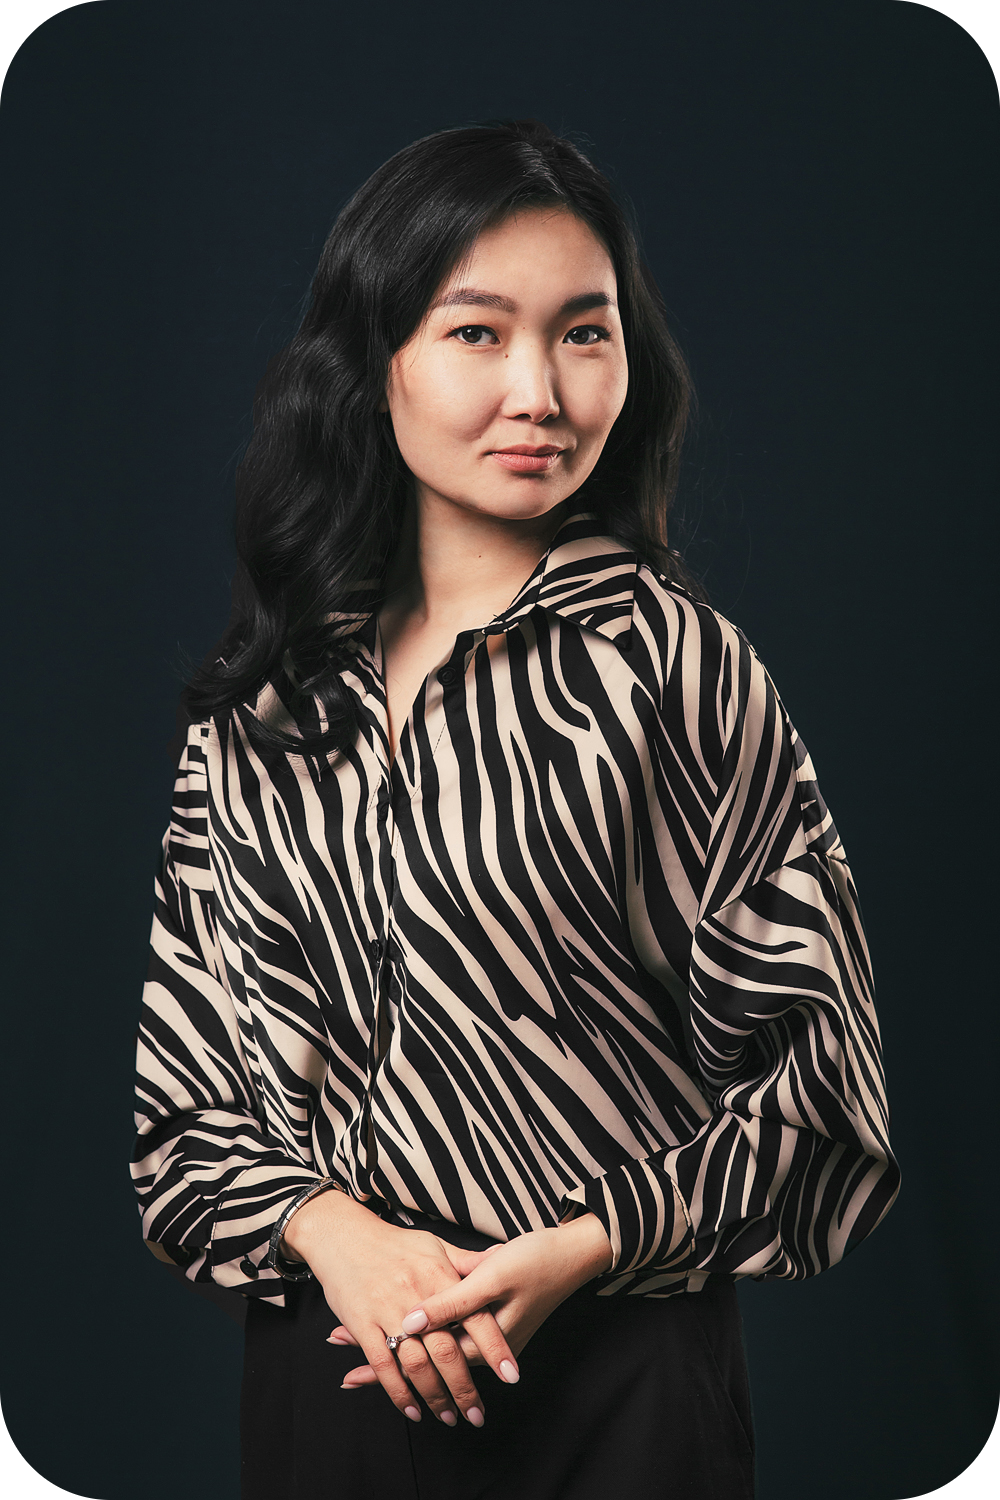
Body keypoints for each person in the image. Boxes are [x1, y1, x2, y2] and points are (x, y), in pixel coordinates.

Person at [131, 119, 899, 1500]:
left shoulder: (671, 668)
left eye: (583, 333)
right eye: (477, 333)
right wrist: (337, 1236)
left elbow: (825, 1094)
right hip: (335, 1372)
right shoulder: (270, 700)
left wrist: (582, 1249)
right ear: (375, 360)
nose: (538, 391)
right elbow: (183, 1125)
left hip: (619, 1382)